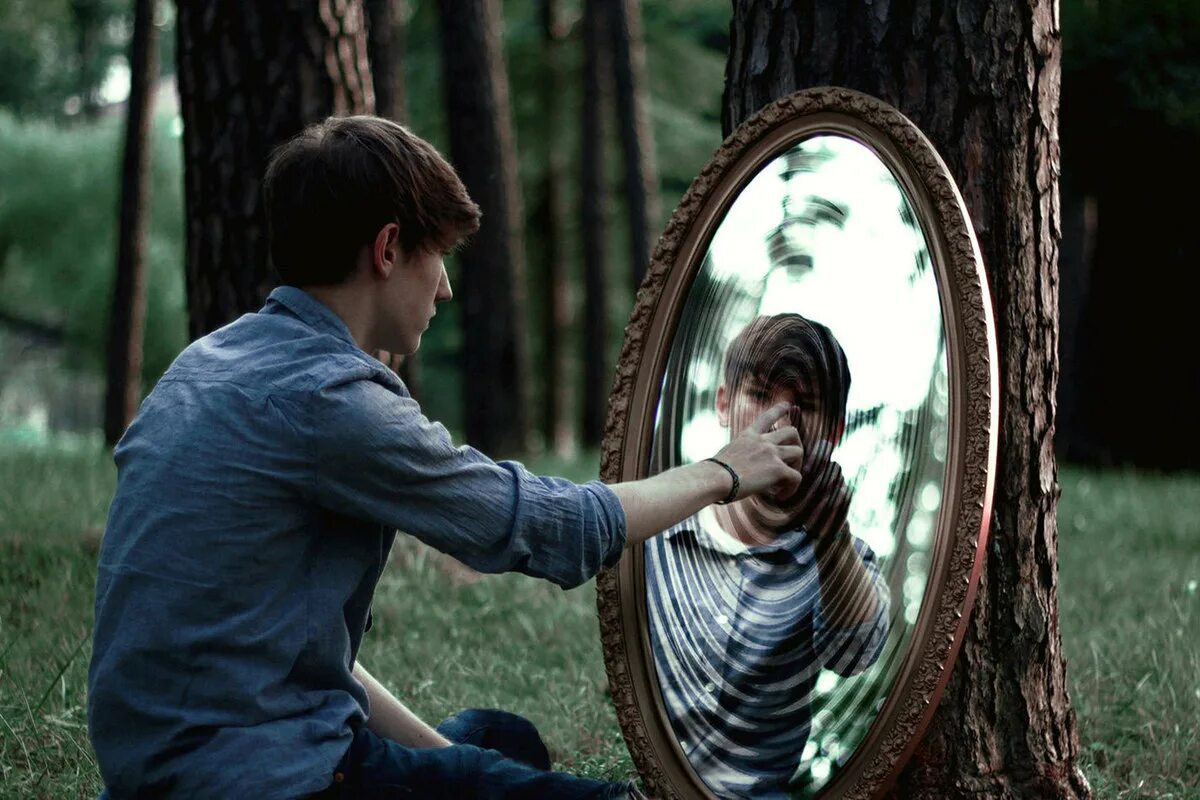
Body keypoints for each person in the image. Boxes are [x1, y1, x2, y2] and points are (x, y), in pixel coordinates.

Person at [85, 115, 808, 800]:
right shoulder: (332, 402)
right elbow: (546, 527)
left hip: (160, 769)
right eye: (439, 258)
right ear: (389, 248)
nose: (447, 287)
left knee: (499, 741)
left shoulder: (204, 365)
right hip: (268, 778)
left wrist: (462, 769)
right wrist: (724, 472)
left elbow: (298, 661)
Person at [645, 314, 891, 799]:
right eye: (759, 397)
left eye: (807, 406)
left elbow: (855, 655)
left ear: (835, 430)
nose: (779, 423)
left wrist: (831, 537)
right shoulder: (663, 527)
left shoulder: (837, 559)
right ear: (722, 403)